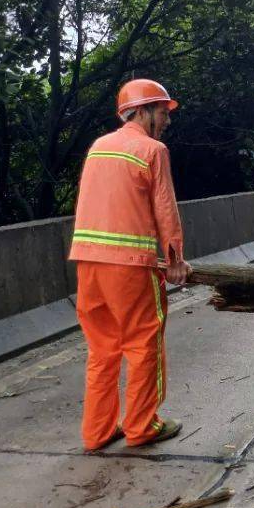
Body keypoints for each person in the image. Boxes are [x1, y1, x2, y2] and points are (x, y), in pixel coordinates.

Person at [69, 79, 190, 450]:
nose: (166, 120)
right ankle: (141, 426)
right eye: (161, 111)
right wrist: (174, 260)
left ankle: (98, 431)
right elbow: (164, 208)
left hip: (88, 263)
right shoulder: (152, 150)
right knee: (143, 345)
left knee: (103, 349)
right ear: (140, 112)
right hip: (131, 267)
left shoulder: (98, 148)